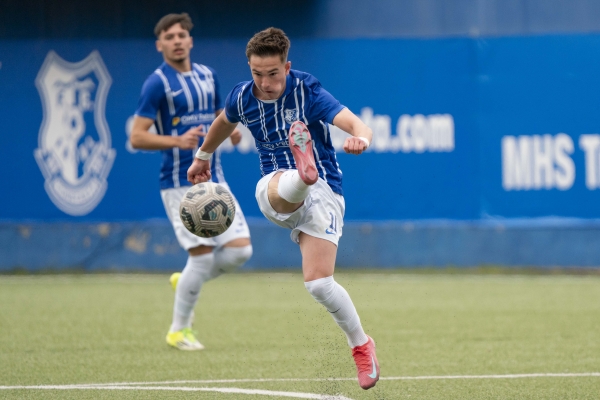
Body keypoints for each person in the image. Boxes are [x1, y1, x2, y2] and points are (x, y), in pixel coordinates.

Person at [187, 27, 379, 390]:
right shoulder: (242, 96)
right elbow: (223, 123)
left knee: (319, 284)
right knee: (276, 190)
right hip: (275, 182)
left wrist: (361, 139)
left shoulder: (307, 90)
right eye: (257, 73)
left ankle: (361, 345)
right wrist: (202, 156)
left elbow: (357, 124)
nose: (265, 82)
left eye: (273, 73)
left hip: (326, 191)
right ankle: (301, 175)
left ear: (287, 67)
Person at [130, 13, 253, 351]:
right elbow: (137, 136)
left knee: (240, 251)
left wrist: (232, 129)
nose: (177, 41)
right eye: (169, 37)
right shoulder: (157, 84)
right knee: (201, 259)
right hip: (179, 183)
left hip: (215, 179)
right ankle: (178, 330)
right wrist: (177, 140)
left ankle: (185, 282)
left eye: (181, 35)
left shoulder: (207, 75)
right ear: (160, 45)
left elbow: (218, 114)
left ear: (191, 40)